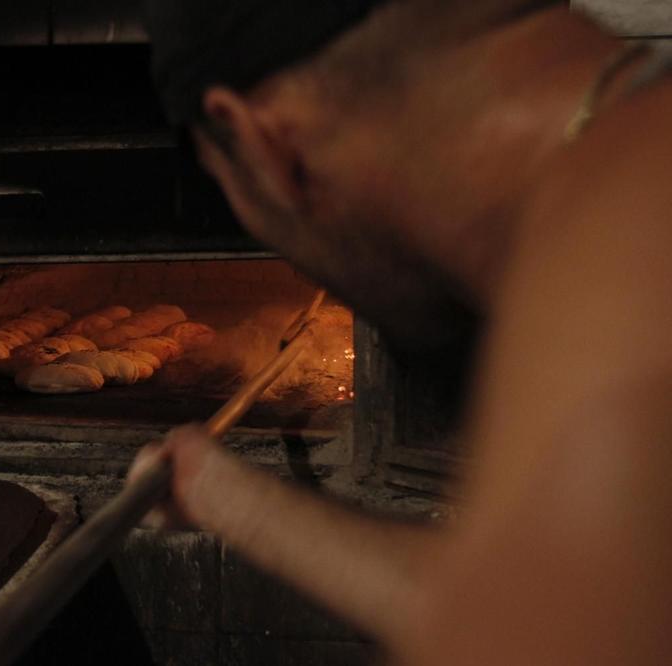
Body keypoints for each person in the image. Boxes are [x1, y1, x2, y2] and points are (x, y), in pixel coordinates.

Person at [129, 0, 672, 664]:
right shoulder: (626, 165)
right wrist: (233, 503)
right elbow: (525, 607)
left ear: (267, 147)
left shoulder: (619, 240)